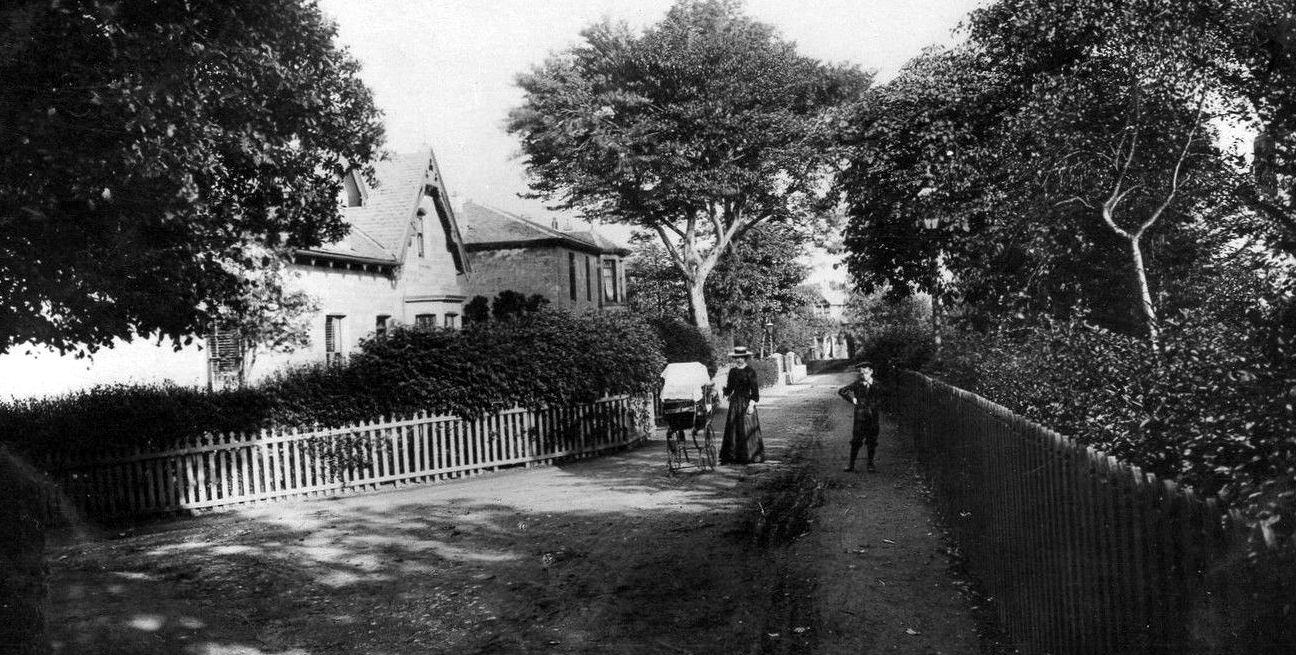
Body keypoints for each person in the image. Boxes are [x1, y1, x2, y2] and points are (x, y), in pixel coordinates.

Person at [719, 346, 765, 465]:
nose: (739, 359)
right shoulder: (732, 371)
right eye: (737, 357)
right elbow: (729, 389)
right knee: (733, 428)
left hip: (746, 402)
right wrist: (722, 391)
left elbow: (755, 392)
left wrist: (751, 405)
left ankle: (750, 455)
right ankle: (733, 456)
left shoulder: (750, 372)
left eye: (741, 357)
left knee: (747, 428)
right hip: (735, 404)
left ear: (745, 358)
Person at [839, 363, 880, 472]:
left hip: (873, 418)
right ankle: (851, 465)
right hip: (860, 418)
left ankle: (870, 464)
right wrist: (852, 399)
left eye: (866, 373)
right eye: (861, 374)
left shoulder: (876, 385)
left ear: (871, 372)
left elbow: (887, 396)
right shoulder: (857, 384)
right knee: (856, 441)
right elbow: (842, 391)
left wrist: (877, 404)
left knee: (872, 441)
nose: (863, 376)